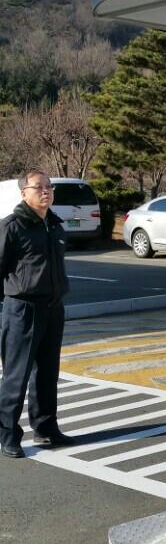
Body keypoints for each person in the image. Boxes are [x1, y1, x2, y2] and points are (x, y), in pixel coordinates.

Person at [0, 169, 73, 458]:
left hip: (53, 308)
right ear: (23, 193)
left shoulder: (54, 225)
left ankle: (46, 428)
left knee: (47, 373)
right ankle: (7, 434)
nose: (46, 191)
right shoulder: (12, 226)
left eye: (49, 187)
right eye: (39, 187)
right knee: (16, 376)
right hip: (22, 309)